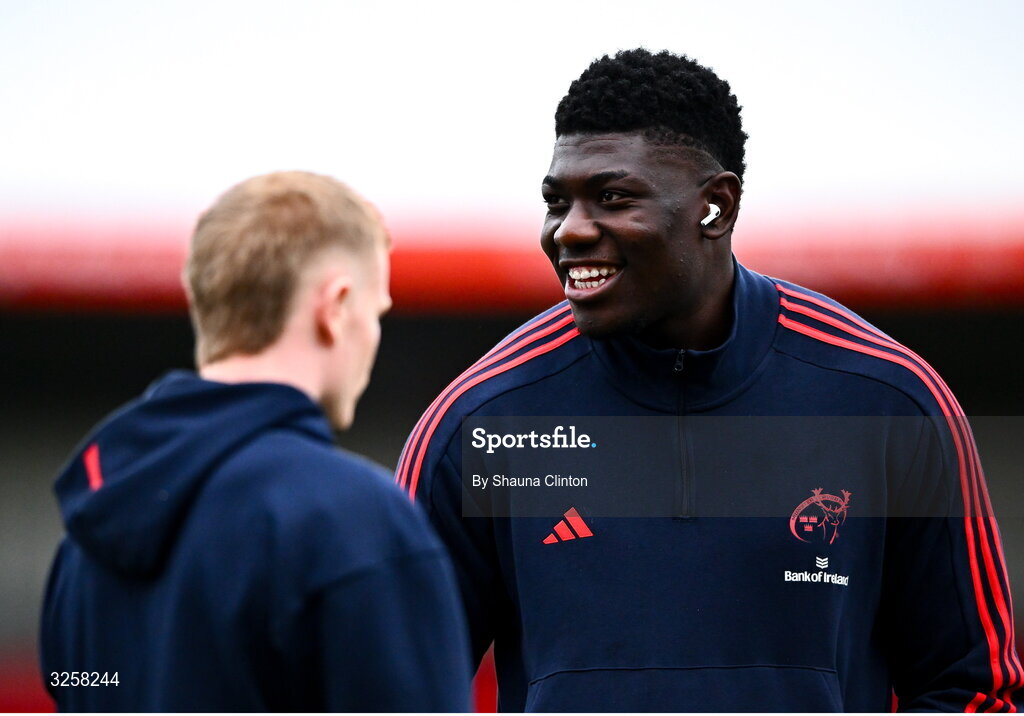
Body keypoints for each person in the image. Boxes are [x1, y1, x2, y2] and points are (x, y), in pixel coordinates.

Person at [396, 50, 1021, 711]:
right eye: (557, 201)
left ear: (715, 207)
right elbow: (391, 693)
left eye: (612, 197)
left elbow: (976, 689)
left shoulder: (887, 398)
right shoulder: (482, 422)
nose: (570, 231)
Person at [40, 171, 471, 711]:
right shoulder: (355, 519)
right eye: (375, 311)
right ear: (334, 307)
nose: (374, 335)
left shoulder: (85, 539)